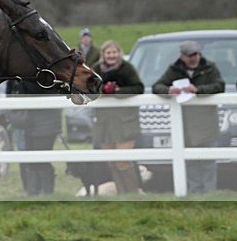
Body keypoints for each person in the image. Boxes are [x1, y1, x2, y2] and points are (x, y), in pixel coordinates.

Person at [153, 40, 224, 194]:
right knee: (190, 161)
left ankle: (209, 194)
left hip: (207, 123)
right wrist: (169, 91)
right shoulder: (174, 69)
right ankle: (195, 193)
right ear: (182, 56)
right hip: (185, 124)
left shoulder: (209, 67)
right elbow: (157, 86)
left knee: (208, 161)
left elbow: (219, 85)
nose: (193, 58)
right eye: (190, 55)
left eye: (196, 54)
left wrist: (198, 89)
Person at [93, 40, 144, 194]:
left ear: (119, 53)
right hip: (105, 122)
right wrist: (104, 90)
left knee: (123, 161)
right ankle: (122, 194)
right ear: (103, 54)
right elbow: (89, 87)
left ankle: (133, 193)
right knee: (112, 162)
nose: (112, 55)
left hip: (125, 122)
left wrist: (117, 91)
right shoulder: (96, 69)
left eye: (114, 52)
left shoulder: (127, 68)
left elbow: (138, 87)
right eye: (108, 53)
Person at [7, 79, 61, 196]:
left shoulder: (44, 76)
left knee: (42, 157)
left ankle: (46, 191)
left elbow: (38, 90)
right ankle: (32, 190)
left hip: (46, 123)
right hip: (29, 123)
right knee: (30, 158)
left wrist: (22, 80)